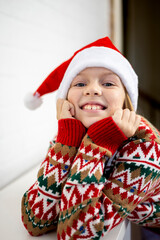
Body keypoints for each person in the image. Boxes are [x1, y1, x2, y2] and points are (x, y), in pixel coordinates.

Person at [22, 36, 160, 239]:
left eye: (108, 83)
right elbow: (36, 221)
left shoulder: (146, 147)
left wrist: (98, 144)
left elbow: (76, 233)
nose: (92, 89)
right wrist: (66, 142)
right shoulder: (70, 133)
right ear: (66, 99)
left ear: (125, 100)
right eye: (79, 83)